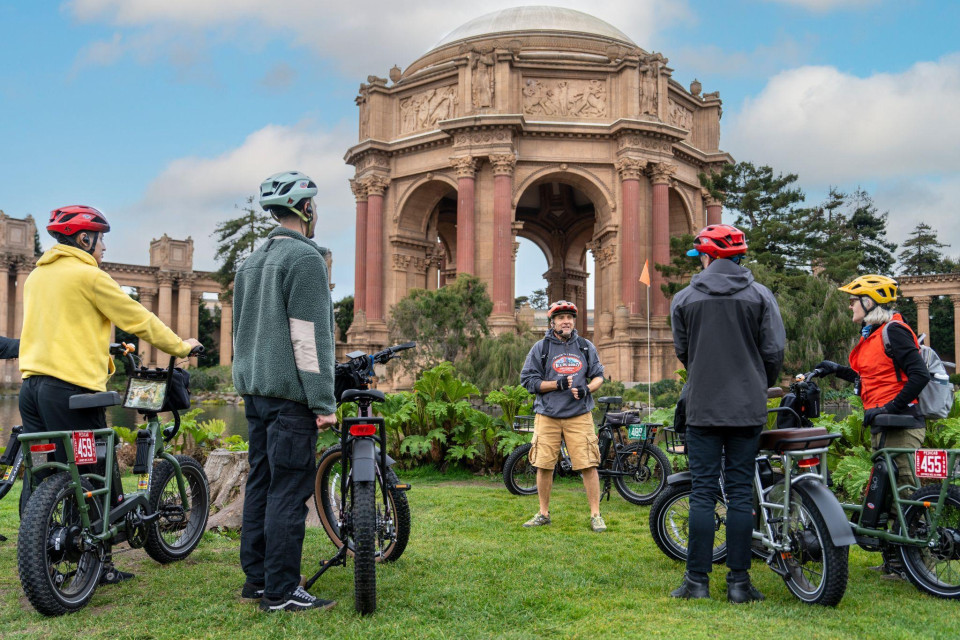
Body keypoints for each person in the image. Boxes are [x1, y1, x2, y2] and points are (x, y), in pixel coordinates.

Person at [19, 205, 202, 584]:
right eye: (101, 240)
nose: (103, 248)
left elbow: (64, 326)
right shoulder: (89, 276)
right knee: (94, 473)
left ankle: (44, 554)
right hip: (72, 390)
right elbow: (138, 317)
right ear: (85, 239)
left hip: (32, 389)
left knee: (49, 474)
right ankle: (99, 566)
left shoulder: (38, 276)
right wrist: (181, 346)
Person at [233, 170, 338, 613]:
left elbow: (240, 331)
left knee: (260, 482)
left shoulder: (250, 263)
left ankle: (256, 580)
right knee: (288, 491)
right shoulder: (304, 259)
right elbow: (308, 337)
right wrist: (323, 401)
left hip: (256, 393)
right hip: (290, 396)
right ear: (307, 210)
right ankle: (281, 591)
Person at [669, 224, 785, 603]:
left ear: (708, 256)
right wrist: (755, 381)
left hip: (702, 407)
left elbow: (685, 353)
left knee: (703, 493)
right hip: (747, 409)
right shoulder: (760, 295)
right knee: (739, 494)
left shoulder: (684, 299)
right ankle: (739, 584)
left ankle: (696, 583)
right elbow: (774, 352)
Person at [815, 274, 929, 578]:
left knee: (906, 493)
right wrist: (837, 370)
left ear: (869, 302)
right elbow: (870, 378)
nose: (850, 304)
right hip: (884, 425)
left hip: (902, 426)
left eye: (854, 300)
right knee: (889, 496)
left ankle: (922, 564)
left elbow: (919, 376)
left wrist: (887, 408)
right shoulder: (873, 335)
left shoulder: (895, 331)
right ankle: (896, 562)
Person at [520, 300, 607, 532]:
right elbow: (528, 381)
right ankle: (543, 513)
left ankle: (596, 515)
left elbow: (599, 375)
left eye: (569, 317)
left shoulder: (586, 346)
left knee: (588, 464)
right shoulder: (541, 348)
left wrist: (589, 388)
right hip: (548, 415)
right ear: (552, 322)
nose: (566, 321)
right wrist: (555, 385)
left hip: (579, 414)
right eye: (561, 318)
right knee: (544, 465)